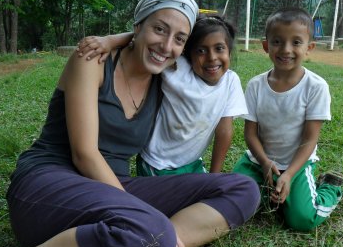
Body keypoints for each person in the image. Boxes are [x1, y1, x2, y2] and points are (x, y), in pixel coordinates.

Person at [0, 0, 260, 247]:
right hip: (48, 183)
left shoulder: (166, 72)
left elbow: (179, 49)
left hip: (113, 187)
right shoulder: (93, 60)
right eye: (158, 29)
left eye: (178, 39)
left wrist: (154, 231)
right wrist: (111, 41)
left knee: (243, 188)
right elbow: (84, 154)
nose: (167, 46)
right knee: (147, 226)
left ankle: (153, 246)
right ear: (138, 25)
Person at [77, 15, 247, 175]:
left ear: (229, 51)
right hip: (157, 161)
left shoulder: (231, 82)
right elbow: (144, 40)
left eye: (219, 48)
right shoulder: (177, 68)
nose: (212, 57)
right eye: (201, 51)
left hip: (192, 162)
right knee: (169, 205)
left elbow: (224, 130)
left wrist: (214, 175)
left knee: (219, 192)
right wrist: (110, 40)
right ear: (188, 54)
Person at [232, 7, 343, 232]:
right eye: (277, 41)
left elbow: (310, 139)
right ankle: (269, 191)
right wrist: (264, 162)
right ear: (265, 46)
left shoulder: (316, 87)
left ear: (309, 48)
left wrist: (290, 174)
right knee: (236, 204)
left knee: (301, 219)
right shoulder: (255, 85)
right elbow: (250, 133)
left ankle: (330, 188)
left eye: (296, 42)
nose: (285, 49)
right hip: (258, 161)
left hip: (297, 164)